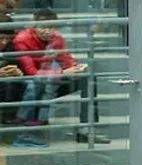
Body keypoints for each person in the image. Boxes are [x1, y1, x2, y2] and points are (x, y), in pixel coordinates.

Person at [13, 8, 109, 147]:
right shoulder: (22, 39)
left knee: (87, 78)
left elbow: (66, 60)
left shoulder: (57, 38)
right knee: (37, 83)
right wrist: (63, 73)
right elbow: (31, 72)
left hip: (50, 80)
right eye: (43, 27)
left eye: (52, 27)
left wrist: (77, 67)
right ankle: (29, 132)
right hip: (25, 83)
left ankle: (87, 130)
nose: (48, 31)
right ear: (34, 26)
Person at [0, 13, 23, 126]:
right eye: (0, 38)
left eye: (8, 38)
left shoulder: (14, 45)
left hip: (6, 81)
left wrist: (18, 72)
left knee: (14, 82)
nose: (4, 42)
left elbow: (16, 63)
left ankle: (8, 115)